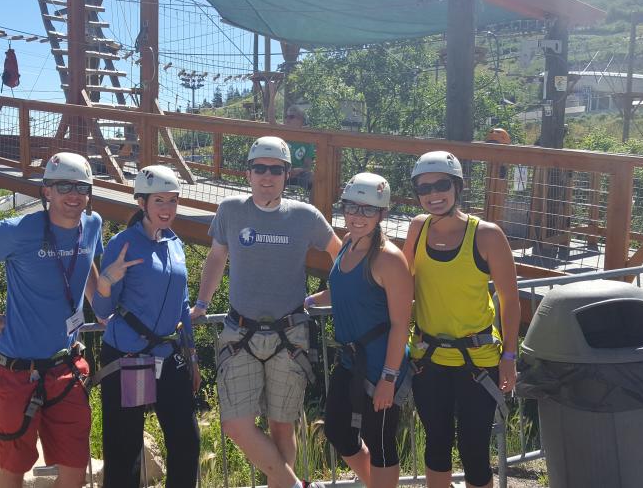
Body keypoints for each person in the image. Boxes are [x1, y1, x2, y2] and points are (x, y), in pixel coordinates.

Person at [0, 152, 105, 488]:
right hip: (17, 370)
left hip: (66, 368)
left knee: (75, 465)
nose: (74, 195)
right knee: (14, 467)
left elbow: (85, 261)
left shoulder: (92, 225)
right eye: (64, 187)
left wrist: (99, 306)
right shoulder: (17, 231)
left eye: (82, 187)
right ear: (47, 192)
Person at [191, 136, 340, 488]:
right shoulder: (230, 210)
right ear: (248, 173)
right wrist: (201, 303)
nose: (267, 176)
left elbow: (342, 254)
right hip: (240, 330)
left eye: (276, 170)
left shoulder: (305, 216)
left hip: (289, 332)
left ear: (287, 175)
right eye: (260, 168)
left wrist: (333, 294)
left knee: (281, 426)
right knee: (236, 424)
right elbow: (216, 257)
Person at [402, 151, 522, 488]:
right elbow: (402, 284)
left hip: (478, 361)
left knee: (474, 452)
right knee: (436, 446)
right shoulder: (417, 228)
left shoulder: (487, 235)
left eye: (442, 185)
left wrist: (510, 357)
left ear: (457, 187)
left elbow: (510, 302)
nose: (433, 194)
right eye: (424, 188)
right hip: (429, 358)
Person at [92, 165, 201, 488]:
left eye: (173, 201)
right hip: (129, 356)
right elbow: (102, 309)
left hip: (169, 356)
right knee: (126, 448)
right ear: (142, 203)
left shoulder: (175, 244)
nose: (167, 209)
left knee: (186, 440)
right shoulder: (123, 244)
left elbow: (182, 306)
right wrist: (107, 280)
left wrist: (192, 356)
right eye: (159, 202)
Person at [307, 172, 412, 488]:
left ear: (382, 214)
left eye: (368, 209)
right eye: (351, 207)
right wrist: (309, 301)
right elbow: (341, 290)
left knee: (379, 442)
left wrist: (388, 379)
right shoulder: (347, 246)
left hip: (381, 364)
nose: (357, 215)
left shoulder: (389, 260)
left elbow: (400, 325)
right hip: (352, 360)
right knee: (338, 430)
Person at [283, 106, 315, 194]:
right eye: (286, 116)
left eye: (291, 117)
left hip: (298, 175)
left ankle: (312, 206)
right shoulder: (281, 135)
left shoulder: (307, 141)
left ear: (301, 120)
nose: (287, 119)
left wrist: (298, 170)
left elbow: (307, 166)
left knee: (314, 178)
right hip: (281, 171)